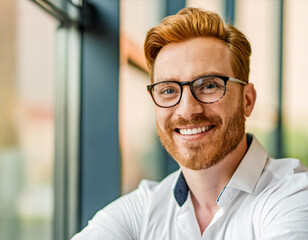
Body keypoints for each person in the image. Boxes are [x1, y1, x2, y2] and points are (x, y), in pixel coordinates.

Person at [72, 7, 308, 240]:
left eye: (209, 85)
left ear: (247, 100)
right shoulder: (140, 211)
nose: (187, 109)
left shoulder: (294, 194)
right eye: (168, 90)